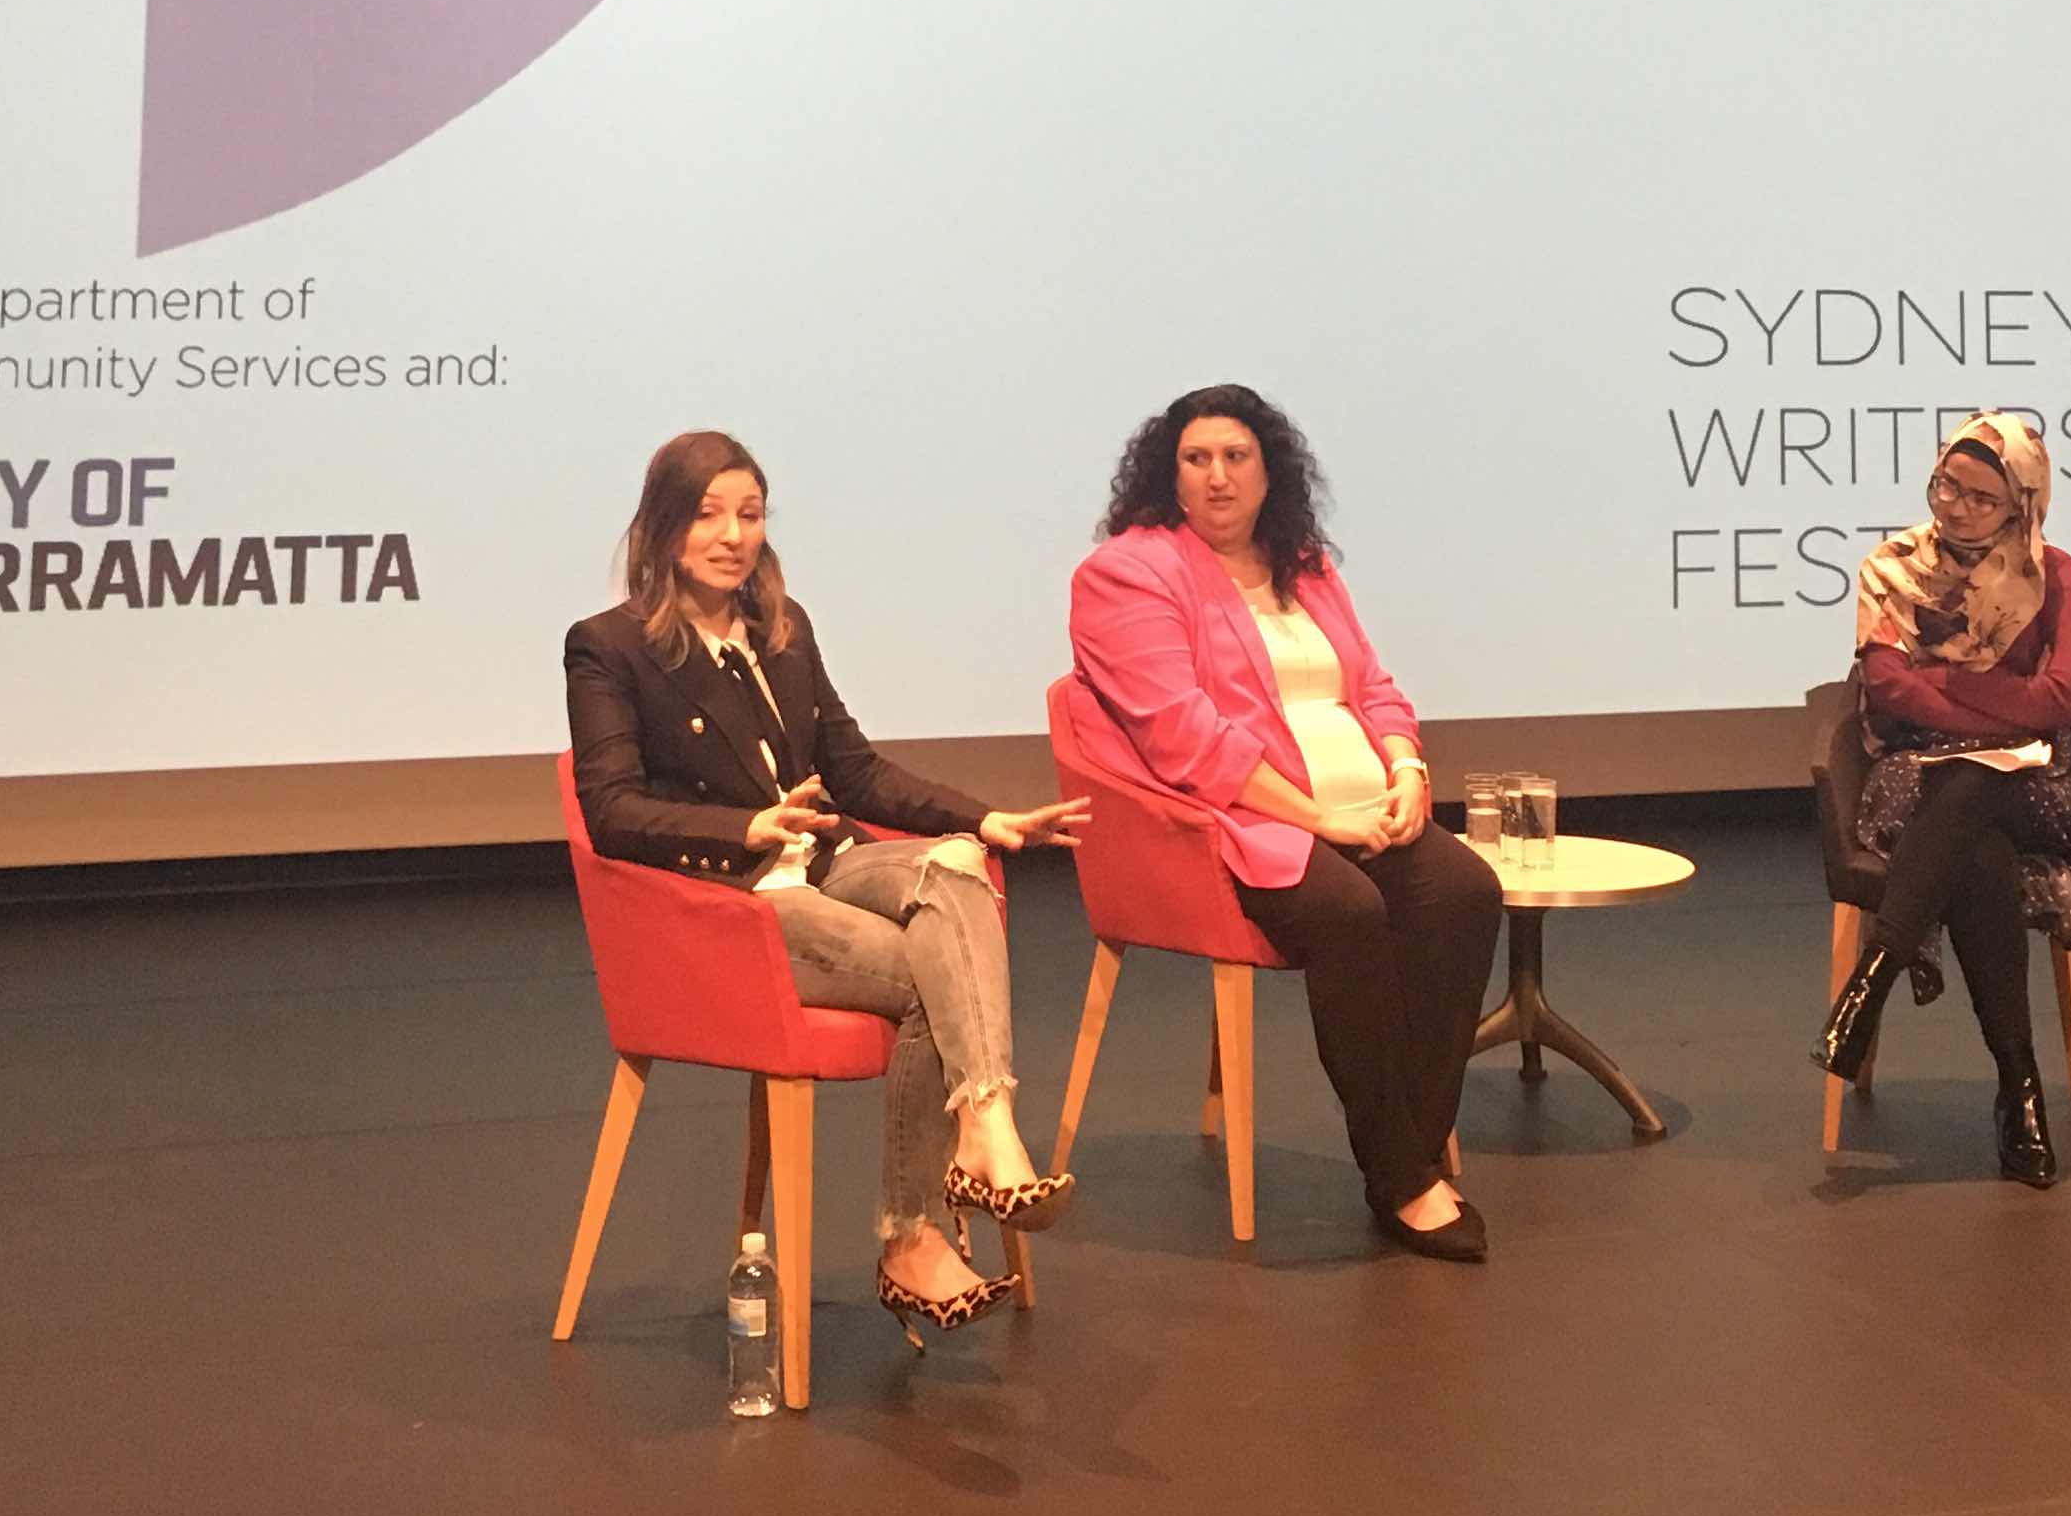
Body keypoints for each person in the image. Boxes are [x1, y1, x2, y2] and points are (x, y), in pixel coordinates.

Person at [565, 431, 1088, 1338]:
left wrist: (983, 819)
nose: (733, 535)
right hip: (736, 900)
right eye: (708, 514)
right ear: (662, 527)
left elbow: (855, 771)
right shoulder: (610, 647)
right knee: (934, 970)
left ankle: (984, 1126)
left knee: (957, 867)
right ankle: (915, 1232)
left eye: (750, 514)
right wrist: (744, 828)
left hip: (826, 860)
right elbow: (610, 809)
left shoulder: (782, 626)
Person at [1066, 385, 1502, 1259]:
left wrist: (1407, 771)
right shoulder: (1127, 572)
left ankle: (1411, 1147)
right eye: (1197, 459)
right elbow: (1184, 736)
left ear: (1271, 472)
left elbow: (1374, 686)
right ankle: (1404, 1178)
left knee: (1464, 892)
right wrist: (1318, 817)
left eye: (1237, 457)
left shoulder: (1304, 564)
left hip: (1359, 809)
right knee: (1349, 912)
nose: (1218, 477)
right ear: (1168, 474)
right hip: (1234, 824)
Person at [1813, 413, 2071, 1188]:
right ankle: (2019, 1088)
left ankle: (1875, 976)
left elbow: (2064, 699)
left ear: (2021, 503)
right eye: (1946, 486)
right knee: (1975, 841)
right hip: (1920, 775)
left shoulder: (2053, 571)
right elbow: (1889, 689)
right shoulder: (1892, 567)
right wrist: (2005, 708)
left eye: (1981, 497)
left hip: (2037, 779)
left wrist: (1947, 683)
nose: (1957, 507)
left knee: (1973, 783)